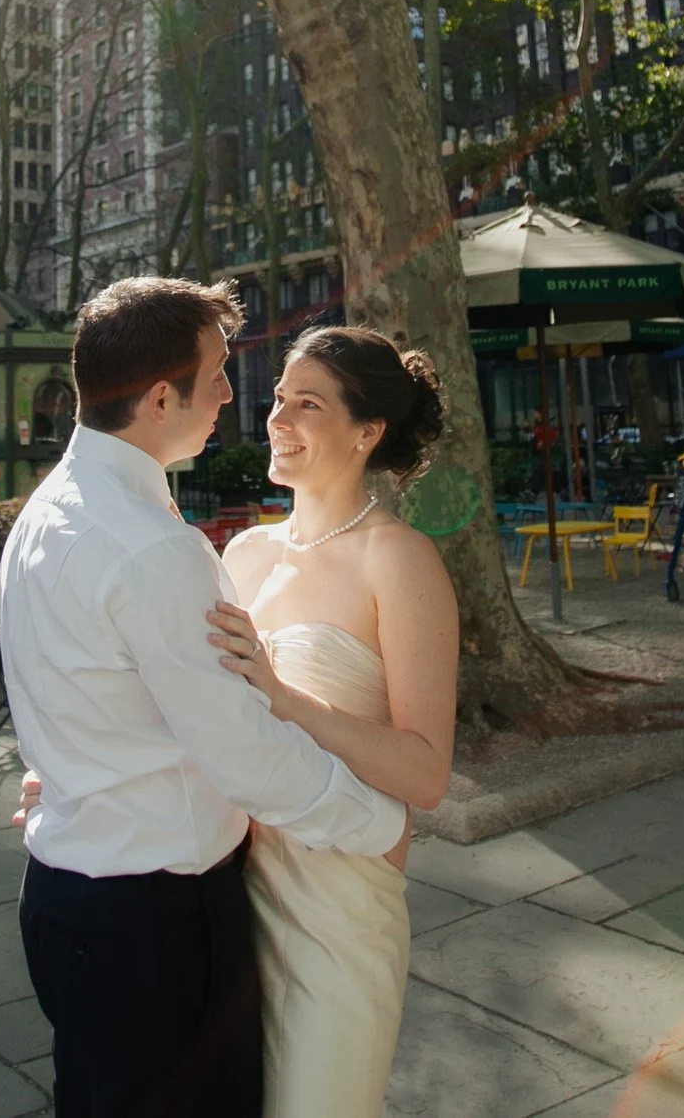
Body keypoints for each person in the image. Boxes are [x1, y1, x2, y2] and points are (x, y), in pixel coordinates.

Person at [0, 278, 408, 1118]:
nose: (235, 394)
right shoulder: (151, 547)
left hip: (68, 898)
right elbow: (245, 752)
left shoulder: (43, 513)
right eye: (219, 373)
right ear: (158, 397)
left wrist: (70, 774)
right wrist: (379, 824)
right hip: (154, 923)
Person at [210, 326, 459, 1118]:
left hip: (339, 904)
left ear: (367, 430)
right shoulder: (242, 554)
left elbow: (426, 774)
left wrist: (289, 700)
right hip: (225, 895)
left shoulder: (401, 559)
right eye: (279, 397)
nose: (277, 416)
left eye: (307, 402)